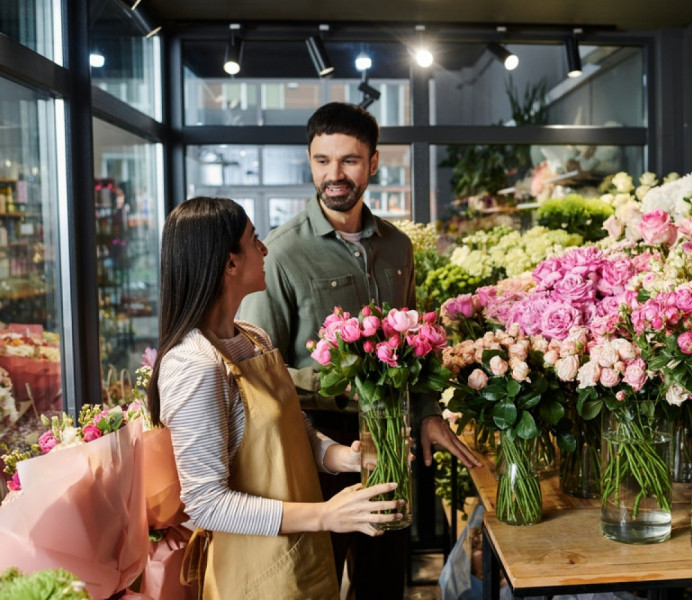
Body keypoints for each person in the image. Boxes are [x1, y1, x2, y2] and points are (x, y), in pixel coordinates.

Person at [240, 102, 480, 599]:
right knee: (317, 581)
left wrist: (428, 414)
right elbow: (264, 372)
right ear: (309, 161)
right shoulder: (282, 252)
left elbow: (416, 347)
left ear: (373, 163)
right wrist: (347, 381)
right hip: (320, 445)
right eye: (321, 160)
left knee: (384, 580)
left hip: (392, 436)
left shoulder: (397, 247)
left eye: (349, 160)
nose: (334, 174)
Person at [146, 196, 404, 600]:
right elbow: (205, 502)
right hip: (254, 572)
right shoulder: (194, 364)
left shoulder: (253, 338)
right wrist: (325, 515)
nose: (265, 248)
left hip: (303, 554)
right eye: (254, 239)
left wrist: (342, 457)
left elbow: (293, 430)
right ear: (230, 263)